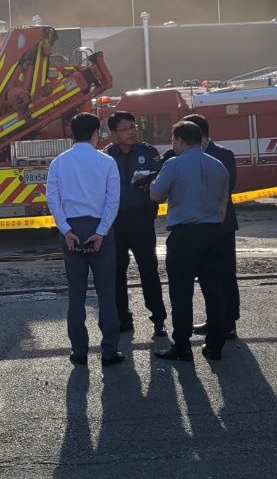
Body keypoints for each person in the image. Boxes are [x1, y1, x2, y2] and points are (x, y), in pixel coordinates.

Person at [46, 112, 124, 368]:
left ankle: (79, 351)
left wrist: (66, 230)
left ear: (72, 132)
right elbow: (113, 201)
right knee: (107, 292)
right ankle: (109, 351)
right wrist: (101, 232)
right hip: (100, 228)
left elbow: (53, 200)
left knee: (76, 292)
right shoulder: (107, 162)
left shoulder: (58, 162)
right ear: (96, 133)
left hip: (72, 229)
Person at [149, 120, 229, 363]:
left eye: (173, 140)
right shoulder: (218, 165)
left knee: (181, 293)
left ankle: (182, 347)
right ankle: (215, 346)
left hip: (185, 235)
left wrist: (149, 184)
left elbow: (156, 194)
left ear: (180, 140)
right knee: (214, 290)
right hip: (214, 232)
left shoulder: (174, 164)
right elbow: (223, 203)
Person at [103, 111, 168, 339]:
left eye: (133, 127)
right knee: (117, 272)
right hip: (116, 223)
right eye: (125, 129)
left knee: (149, 270)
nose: (131, 132)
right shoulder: (107, 156)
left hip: (142, 222)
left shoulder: (147, 152)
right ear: (114, 133)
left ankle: (158, 319)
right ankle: (123, 318)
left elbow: (161, 180)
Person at [183, 113, 240, 341]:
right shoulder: (182, 155)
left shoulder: (223, 154)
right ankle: (213, 319)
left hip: (221, 225)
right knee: (206, 276)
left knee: (226, 274)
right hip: (197, 226)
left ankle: (229, 322)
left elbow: (228, 186)